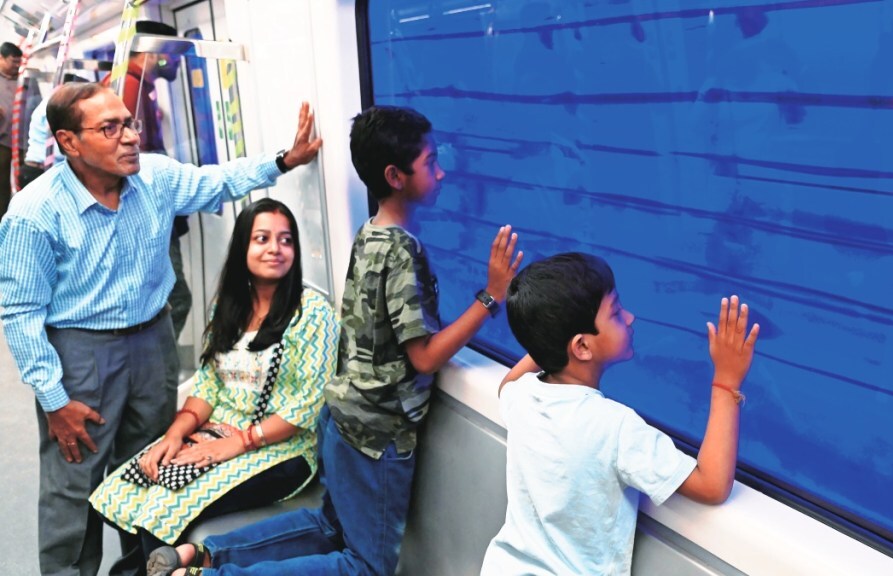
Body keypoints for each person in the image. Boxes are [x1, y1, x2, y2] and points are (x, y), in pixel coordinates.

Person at [145, 105, 523, 576]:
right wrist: (491, 296)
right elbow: (423, 357)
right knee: (363, 565)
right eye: (430, 162)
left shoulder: (371, 233)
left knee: (329, 528)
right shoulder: (404, 251)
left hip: (341, 417)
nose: (442, 171)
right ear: (396, 175)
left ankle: (202, 554)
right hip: (377, 433)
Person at [0, 81, 321, 576]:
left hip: (153, 341)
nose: (129, 137)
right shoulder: (34, 215)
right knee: (74, 480)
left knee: (147, 465)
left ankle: (137, 570)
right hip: (80, 353)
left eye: (129, 123)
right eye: (110, 128)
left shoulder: (156, 178)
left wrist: (284, 160)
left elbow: (218, 181)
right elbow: (20, 312)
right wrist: (54, 399)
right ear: (69, 143)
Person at [89, 198, 341, 573]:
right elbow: (208, 387)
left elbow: (306, 408)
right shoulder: (226, 307)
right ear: (242, 247)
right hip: (217, 432)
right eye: (262, 238)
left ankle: (140, 570)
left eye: (286, 240)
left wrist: (236, 443)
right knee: (141, 475)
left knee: (166, 502)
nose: (275, 249)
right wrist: (174, 436)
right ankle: (147, 568)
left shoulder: (313, 314)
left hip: (281, 450)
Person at [479, 253, 761, 574]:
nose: (630, 317)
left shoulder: (523, 396)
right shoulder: (615, 427)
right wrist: (726, 379)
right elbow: (711, 486)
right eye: (615, 313)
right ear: (582, 347)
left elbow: (508, 384)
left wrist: (547, 333)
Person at [103, 20, 193, 339]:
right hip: (146, 209)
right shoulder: (129, 90)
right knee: (177, 299)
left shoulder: (130, 86)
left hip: (143, 207)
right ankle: (154, 370)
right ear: (155, 53)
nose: (178, 62)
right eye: (173, 53)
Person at [0, 41, 23, 218]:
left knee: (23, 181)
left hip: (22, 141)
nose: (17, 65)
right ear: (1, 58)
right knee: (1, 183)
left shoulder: (24, 80)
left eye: (19, 62)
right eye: (13, 61)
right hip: (2, 140)